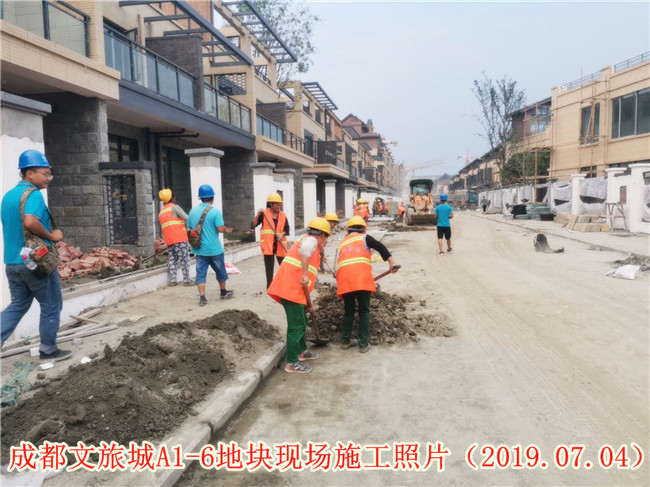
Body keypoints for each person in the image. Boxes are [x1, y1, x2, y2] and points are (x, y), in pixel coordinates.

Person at [1, 150, 71, 362]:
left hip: (13, 263)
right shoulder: (33, 195)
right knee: (51, 305)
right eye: (45, 173)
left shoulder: (8, 196)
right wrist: (51, 235)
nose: (48, 178)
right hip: (34, 263)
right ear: (29, 173)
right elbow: (30, 222)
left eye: (49, 174)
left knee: (17, 306)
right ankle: (48, 351)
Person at [267, 217, 331, 374]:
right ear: (322, 235)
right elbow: (305, 251)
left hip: (295, 291)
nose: (326, 241)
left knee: (302, 321)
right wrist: (305, 274)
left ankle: (302, 351)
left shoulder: (306, 241)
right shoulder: (311, 240)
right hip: (291, 290)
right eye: (326, 237)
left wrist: (308, 303)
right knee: (296, 326)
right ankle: (292, 362)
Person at [335, 216, 399, 353]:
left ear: (348, 230)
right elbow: (380, 247)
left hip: (344, 280)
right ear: (363, 229)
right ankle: (363, 344)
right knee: (364, 311)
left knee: (348, 310)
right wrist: (392, 263)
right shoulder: (365, 238)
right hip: (361, 280)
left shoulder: (342, 242)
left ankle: (345, 341)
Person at [188, 184, 234, 306]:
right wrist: (227, 229)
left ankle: (202, 298)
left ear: (200, 198)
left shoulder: (192, 212)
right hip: (215, 249)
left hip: (199, 250)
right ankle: (223, 292)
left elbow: (190, 228)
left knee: (200, 273)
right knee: (220, 271)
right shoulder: (215, 212)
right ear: (212, 198)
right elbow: (220, 229)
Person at [251, 193, 289, 289]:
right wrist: (258, 214)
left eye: (280, 204)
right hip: (268, 245)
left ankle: (285, 285)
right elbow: (253, 225)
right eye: (277, 204)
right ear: (271, 204)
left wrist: (282, 234)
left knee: (284, 266)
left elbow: (287, 229)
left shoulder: (283, 215)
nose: (279, 206)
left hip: (280, 245)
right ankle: (270, 287)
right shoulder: (264, 214)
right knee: (269, 268)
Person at [158, 189, 192, 287]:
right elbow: (187, 218)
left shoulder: (161, 213)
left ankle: (173, 281)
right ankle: (187, 281)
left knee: (172, 259)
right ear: (172, 198)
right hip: (180, 238)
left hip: (169, 241)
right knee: (184, 259)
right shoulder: (175, 208)